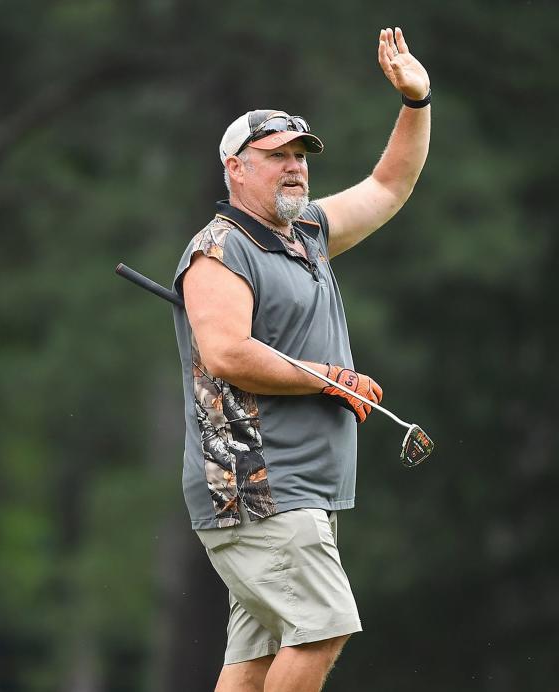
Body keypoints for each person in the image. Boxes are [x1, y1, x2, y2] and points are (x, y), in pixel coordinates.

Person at [171, 28, 430, 692]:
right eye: (277, 155)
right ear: (236, 167)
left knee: (254, 659)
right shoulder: (219, 250)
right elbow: (227, 352)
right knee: (323, 627)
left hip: (293, 490)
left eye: (302, 155)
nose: (296, 166)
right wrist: (330, 379)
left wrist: (416, 103)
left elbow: (388, 187)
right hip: (257, 486)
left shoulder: (307, 232)